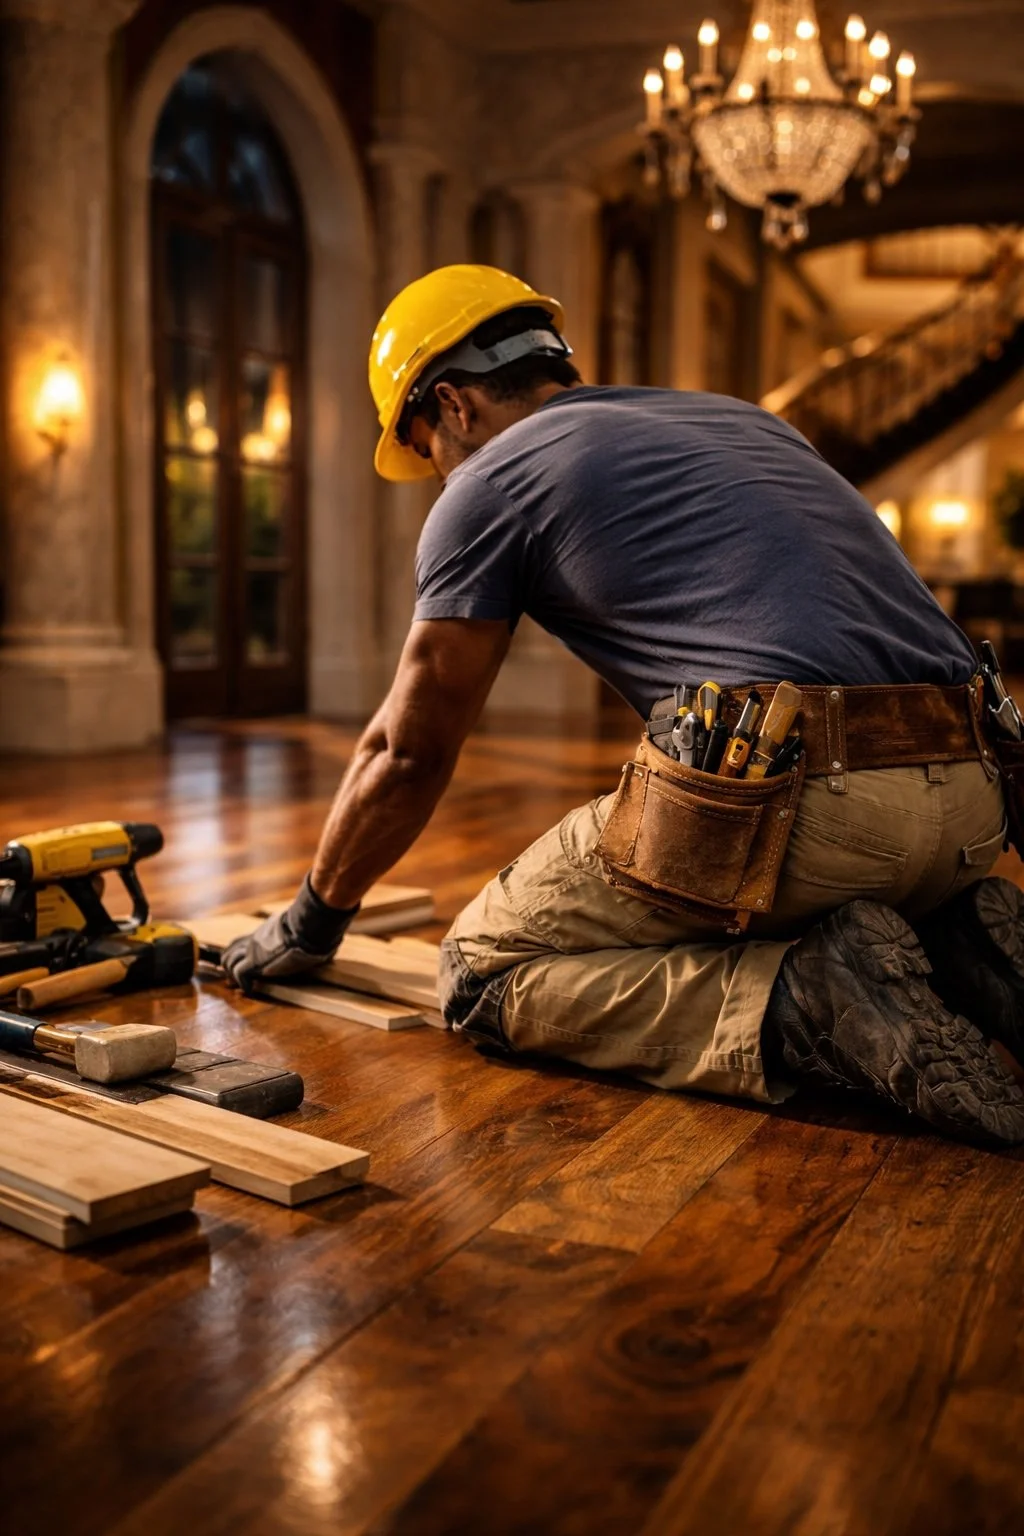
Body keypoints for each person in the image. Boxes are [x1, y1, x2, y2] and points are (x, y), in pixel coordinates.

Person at [223, 263, 1024, 1146]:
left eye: (420, 447)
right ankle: (954, 943)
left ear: (452, 405)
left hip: (813, 810)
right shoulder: (742, 417)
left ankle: (803, 997)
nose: (433, 474)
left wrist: (311, 918)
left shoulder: (490, 481)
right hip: (976, 806)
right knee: (831, 870)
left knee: (480, 968)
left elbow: (407, 752)